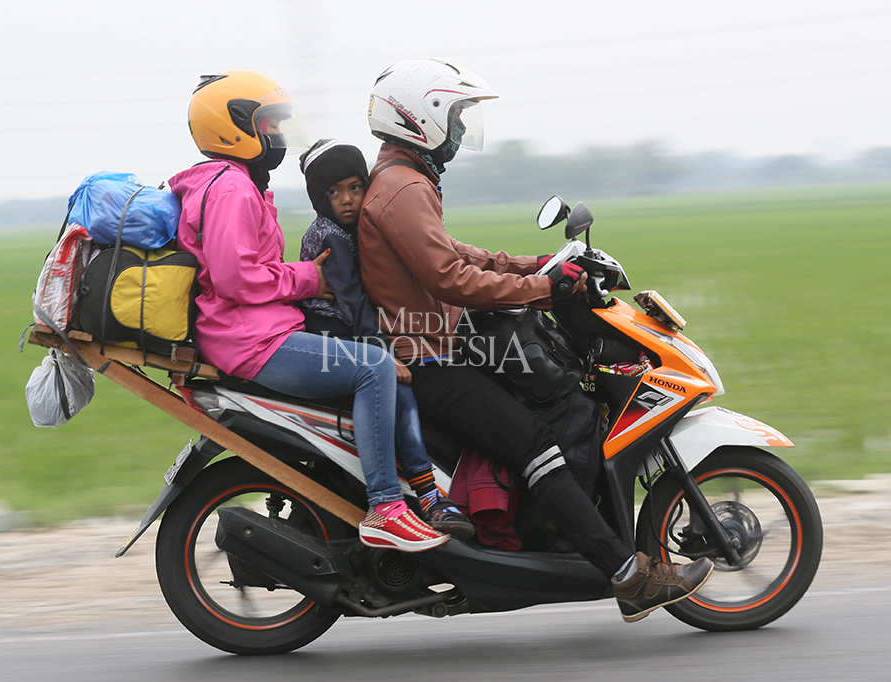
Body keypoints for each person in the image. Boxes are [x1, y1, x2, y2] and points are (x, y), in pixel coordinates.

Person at [358, 57, 714, 622]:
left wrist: (542, 266)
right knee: (534, 444)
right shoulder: (402, 187)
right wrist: (539, 286)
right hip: (427, 358)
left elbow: (461, 256)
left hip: (440, 347)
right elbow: (449, 278)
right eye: (453, 115)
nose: (458, 130)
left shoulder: (406, 181)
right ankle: (626, 574)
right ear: (418, 117)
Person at [168, 70, 448, 553]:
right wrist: (309, 278)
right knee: (376, 366)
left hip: (259, 331)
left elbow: (246, 269)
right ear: (234, 127)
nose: (277, 136)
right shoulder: (232, 189)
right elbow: (239, 279)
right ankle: (386, 508)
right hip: (253, 342)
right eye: (269, 125)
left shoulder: (231, 184)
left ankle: (415, 487)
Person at [296, 137, 473, 537]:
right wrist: (380, 353)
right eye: (334, 192)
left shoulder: (359, 227)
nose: (347, 200)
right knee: (398, 390)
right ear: (318, 198)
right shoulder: (330, 235)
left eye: (355, 187)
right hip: (335, 331)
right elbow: (355, 303)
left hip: (351, 328)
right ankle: (427, 494)